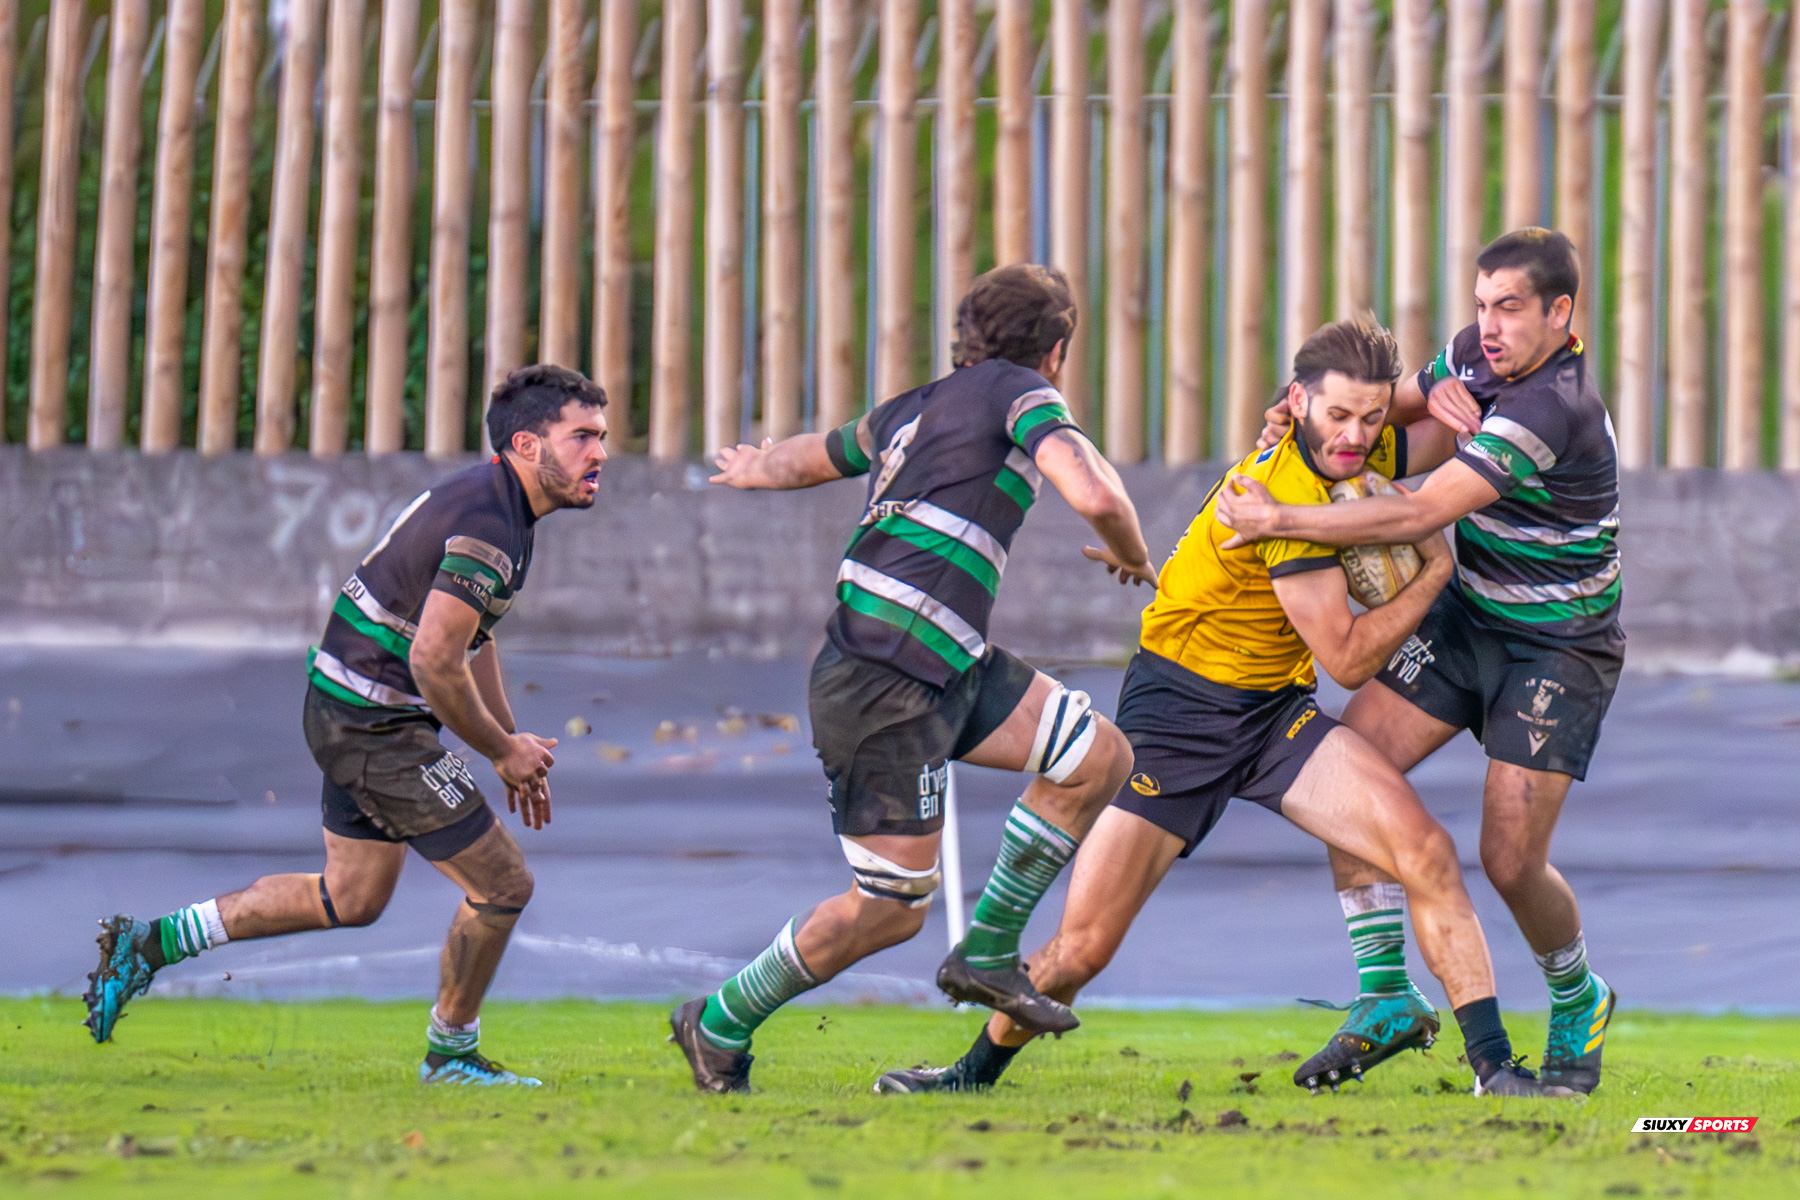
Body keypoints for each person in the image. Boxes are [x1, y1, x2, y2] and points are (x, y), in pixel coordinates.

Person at [874, 319, 1571, 1099]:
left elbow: (1441, 434)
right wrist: (1434, 572)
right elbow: (1347, 660)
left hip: (1274, 715)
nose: (1358, 437)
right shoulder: (1273, 501)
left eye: (1372, 418)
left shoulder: (1354, 450)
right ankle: (965, 1077)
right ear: (1299, 402)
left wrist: (1461, 379)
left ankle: (1494, 1069)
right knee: (1082, 949)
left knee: (1428, 852)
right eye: (1339, 416)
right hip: (1176, 719)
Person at [670, 263, 1156, 1093]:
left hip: (944, 662)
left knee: (1097, 757)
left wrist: (757, 465)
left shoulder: (914, 407)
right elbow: (1092, 486)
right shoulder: (1022, 395)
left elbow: (812, 456)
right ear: (1058, 351)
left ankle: (990, 951)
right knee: (892, 908)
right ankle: (717, 1021)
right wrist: (1132, 551)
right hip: (881, 679)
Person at [82, 365, 611, 1087]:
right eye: (582, 436)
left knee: (351, 898)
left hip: (349, 709)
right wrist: (499, 749)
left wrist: (508, 742)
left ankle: (150, 945)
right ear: (526, 442)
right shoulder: (490, 522)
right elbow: (433, 659)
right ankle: (450, 1055)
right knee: (502, 884)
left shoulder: (501, 508)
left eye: (602, 437)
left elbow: (471, 638)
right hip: (374, 725)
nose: (600, 453)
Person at [1220, 228, 1620, 1095]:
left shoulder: (1551, 407)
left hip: (1560, 644)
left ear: (1561, 312)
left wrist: (1279, 517)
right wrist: (1304, 415)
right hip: (1468, 617)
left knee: (1510, 860)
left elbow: (1417, 514)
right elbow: (1385, 401)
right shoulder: (1479, 354)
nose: (1490, 326)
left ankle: (1577, 993)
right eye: (1481, 305)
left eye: (1510, 308)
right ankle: (1384, 997)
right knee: (1348, 773)